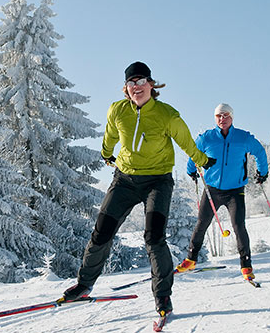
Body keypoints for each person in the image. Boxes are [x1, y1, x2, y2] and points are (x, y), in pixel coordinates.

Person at [59, 61, 215, 319]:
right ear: (126, 88)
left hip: (158, 181)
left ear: (151, 85)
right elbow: (110, 135)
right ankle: (84, 285)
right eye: (132, 83)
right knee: (101, 233)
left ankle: (163, 296)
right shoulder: (117, 110)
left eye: (141, 81)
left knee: (154, 238)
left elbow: (186, 142)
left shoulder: (167, 115)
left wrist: (202, 160)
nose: (137, 87)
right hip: (124, 181)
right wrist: (107, 154)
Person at [179, 103, 268, 282]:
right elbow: (193, 153)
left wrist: (262, 171)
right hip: (212, 189)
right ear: (215, 118)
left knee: (239, 226)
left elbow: (259, 151)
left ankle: (246, 265)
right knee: (201, 224)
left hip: (235, 191)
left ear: (232, 117)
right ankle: (191, 259)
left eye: (226, 115)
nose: (222, 119)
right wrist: (191, 170)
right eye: (219, 116)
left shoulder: (243, 137)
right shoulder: (207, 138)